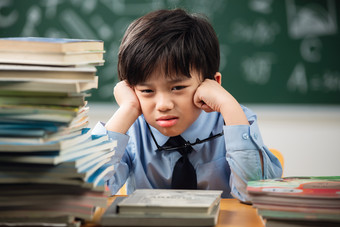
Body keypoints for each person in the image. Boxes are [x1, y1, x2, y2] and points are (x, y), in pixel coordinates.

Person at [93, 8, 282, 203]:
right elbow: (89, 191)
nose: (163, 105)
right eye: (147, 91)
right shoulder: (132, 129)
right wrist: (127, 109)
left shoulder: (235, 120)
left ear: (211, 84)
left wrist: (228, 104)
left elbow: (254, 196)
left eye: (177, 87)